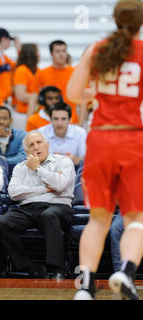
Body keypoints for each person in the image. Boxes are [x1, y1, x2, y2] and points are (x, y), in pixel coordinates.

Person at [67, 0, 143, 300]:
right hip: (131, 140)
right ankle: (124, 271)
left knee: (98, 219)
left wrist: (95, 94)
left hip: (99, 139)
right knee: (135, 218)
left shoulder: (96, 49)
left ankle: (85, 286)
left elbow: (73, 94)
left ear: (114, 19)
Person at [0, 131, 75, 279]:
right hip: (28, 208)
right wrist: (44, 189)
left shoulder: (63, 161)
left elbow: (60, 185)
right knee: (2, 224)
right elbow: (14, 193)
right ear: (26, 151)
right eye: (31, 145)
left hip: (58, 206)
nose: (36, 147)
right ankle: (31, 267)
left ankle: (57, 268)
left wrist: (38, 169)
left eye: (39, 142)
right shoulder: (20, 167)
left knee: (49, 215)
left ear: (47, 145)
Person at [28, 40, 85, 125]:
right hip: (45, 121)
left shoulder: (75, 73)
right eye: (57, 51)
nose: (61, 54)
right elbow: (33, 99)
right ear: (51, 54)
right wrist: (29, 120)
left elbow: (83, 100)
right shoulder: (42, 73)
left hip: (70, 121)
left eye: (64, 51)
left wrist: (81, 122)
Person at [39, 102, 87, 167]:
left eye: (63, 119)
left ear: (70, 120)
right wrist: (49, 159)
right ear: (50, 119)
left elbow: (86, 160)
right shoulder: (41, 133)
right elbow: (34, 159)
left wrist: (75, 160)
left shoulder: (80, 133)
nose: (59, 124)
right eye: (55, 119)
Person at [12, 43, 40, 130]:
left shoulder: (38, 70)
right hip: (23, 114)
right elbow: (20, 95)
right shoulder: (22, 70)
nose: (39, 54)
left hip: (36, 113)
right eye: (37, 51)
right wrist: (40, 98)